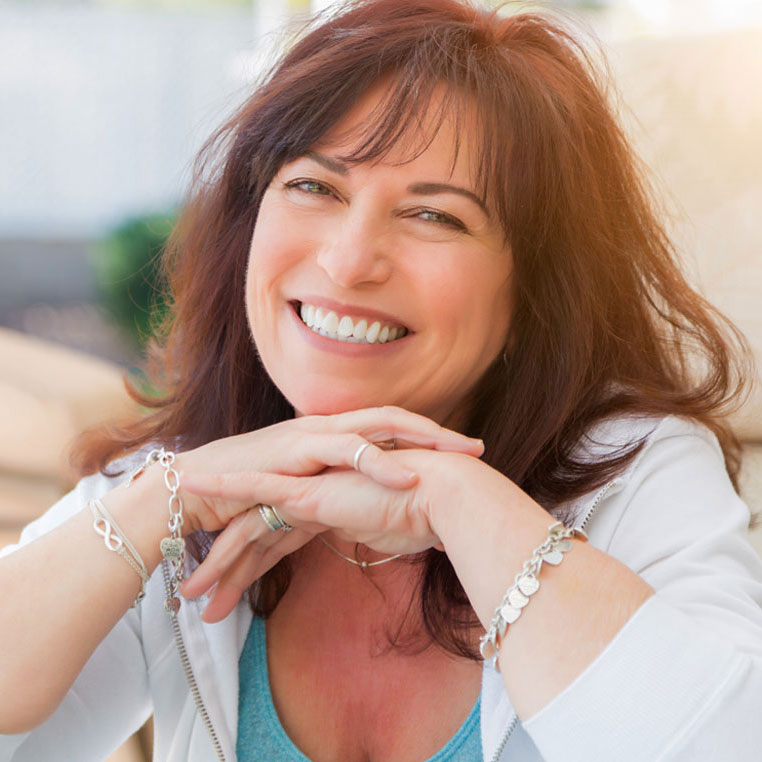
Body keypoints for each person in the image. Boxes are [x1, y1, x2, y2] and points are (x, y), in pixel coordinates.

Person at [2, 0, 762, 760]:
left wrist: (456, 501)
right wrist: (156, 503)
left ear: (536, 290)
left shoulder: (635, 472)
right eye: (315, 187)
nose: (347, 261)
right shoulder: (186, 481)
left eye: (435, 216)